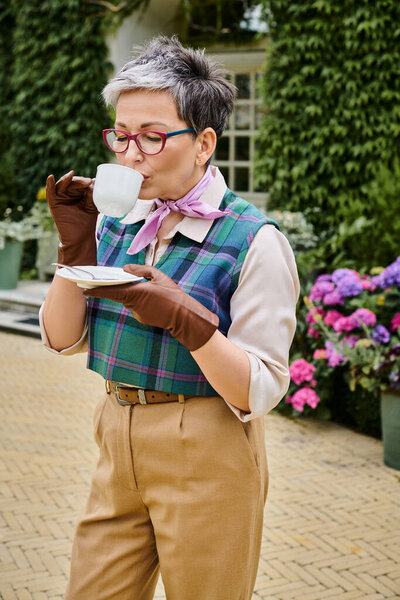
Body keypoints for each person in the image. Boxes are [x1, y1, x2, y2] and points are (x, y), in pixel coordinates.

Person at [40, 35, 300, 600]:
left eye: (153, 136)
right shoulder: (118, 220)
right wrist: (75, 250)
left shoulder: (255, 240)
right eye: (121, 135)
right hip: (116, 428)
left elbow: (260, 389)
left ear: (204, 142)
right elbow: (62, 339)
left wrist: (192, 323)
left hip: (208, 444)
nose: (130, 154)